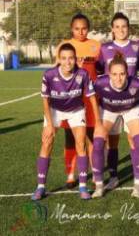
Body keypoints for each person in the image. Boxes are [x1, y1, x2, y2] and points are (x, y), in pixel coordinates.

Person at [31, 43, 104, 200]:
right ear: (59, 59)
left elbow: (91, 98)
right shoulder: (49, 75)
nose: (67, 62)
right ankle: (40, 187)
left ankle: (83, 187)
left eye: (71, 58)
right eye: (64, 58)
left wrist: (98, 122)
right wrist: (49, 124)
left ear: (75, 59)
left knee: (81, 144)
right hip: (54, 111)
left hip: (76, 111)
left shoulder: (83, 74)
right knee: (47, 142)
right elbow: (45, 101)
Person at [96, 12, 139, 191]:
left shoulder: (137, 47)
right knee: (111, 141)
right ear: (112, 30)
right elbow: (100, 71)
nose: (121, 30)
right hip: (111, 102)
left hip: (131, 100)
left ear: (128, 28)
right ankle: (113, 176)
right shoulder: (105, 48)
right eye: (117, 27)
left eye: (124, 26)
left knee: (134, 138)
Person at [91, 53, 139, 198]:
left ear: (127, 73)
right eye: (114, 74)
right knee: (98, 142)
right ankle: (101, 184)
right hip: (109, 110)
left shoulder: (137, 84)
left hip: (131, 109)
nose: (118, 78)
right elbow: (92, 98)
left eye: (122, 74)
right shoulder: (100, 83)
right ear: (109, 74)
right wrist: (97, 122)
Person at [58, 13, 101, 188]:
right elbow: (59, 72)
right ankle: (70, 174)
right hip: (71, 99)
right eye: (77, 28)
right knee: (70, 137)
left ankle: (94, 173)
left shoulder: (96, 46)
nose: (80, 31)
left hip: (91, 99)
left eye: (84, 28)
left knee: (91, 136)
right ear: (71, 29)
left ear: (88, 29)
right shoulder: (65, 46)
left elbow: (101, 71)